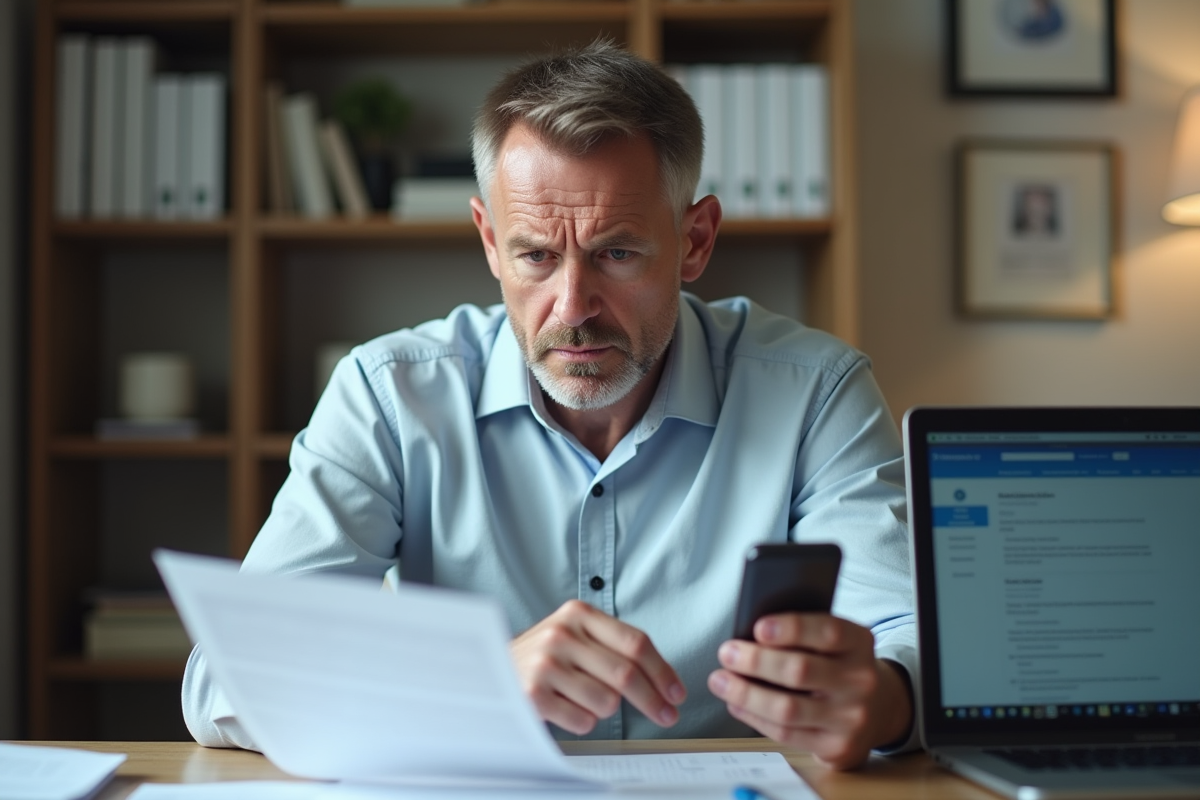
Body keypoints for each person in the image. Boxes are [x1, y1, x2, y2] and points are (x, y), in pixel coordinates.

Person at [181, 40, 918, 770]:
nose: (573, 308)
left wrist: (884, 700)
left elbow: (910, 636)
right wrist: (478, 685)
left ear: (695, 241)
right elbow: (224, 683)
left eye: (616, 253)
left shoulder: (816, 392)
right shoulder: (389, 395)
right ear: (490, 241)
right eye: (536, 255)